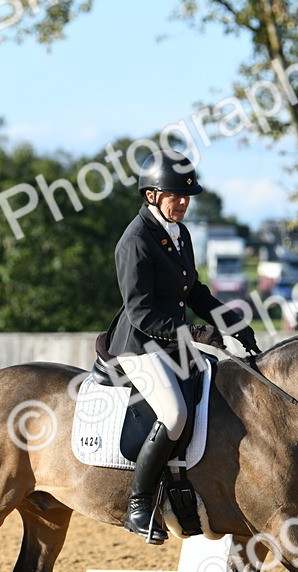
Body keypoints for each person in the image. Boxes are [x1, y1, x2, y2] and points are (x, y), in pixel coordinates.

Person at [103, 150, 260, 543]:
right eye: (176, 196)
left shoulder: (180, 234)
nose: (184, 203)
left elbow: (195, 292)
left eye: (187, 197)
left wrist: (232, 323)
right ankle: (139, 505)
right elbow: (141, 313)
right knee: (173, 414)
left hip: (171, 342)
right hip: (140, 346)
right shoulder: (135, 241)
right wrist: (196, 334)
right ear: (152, 195)